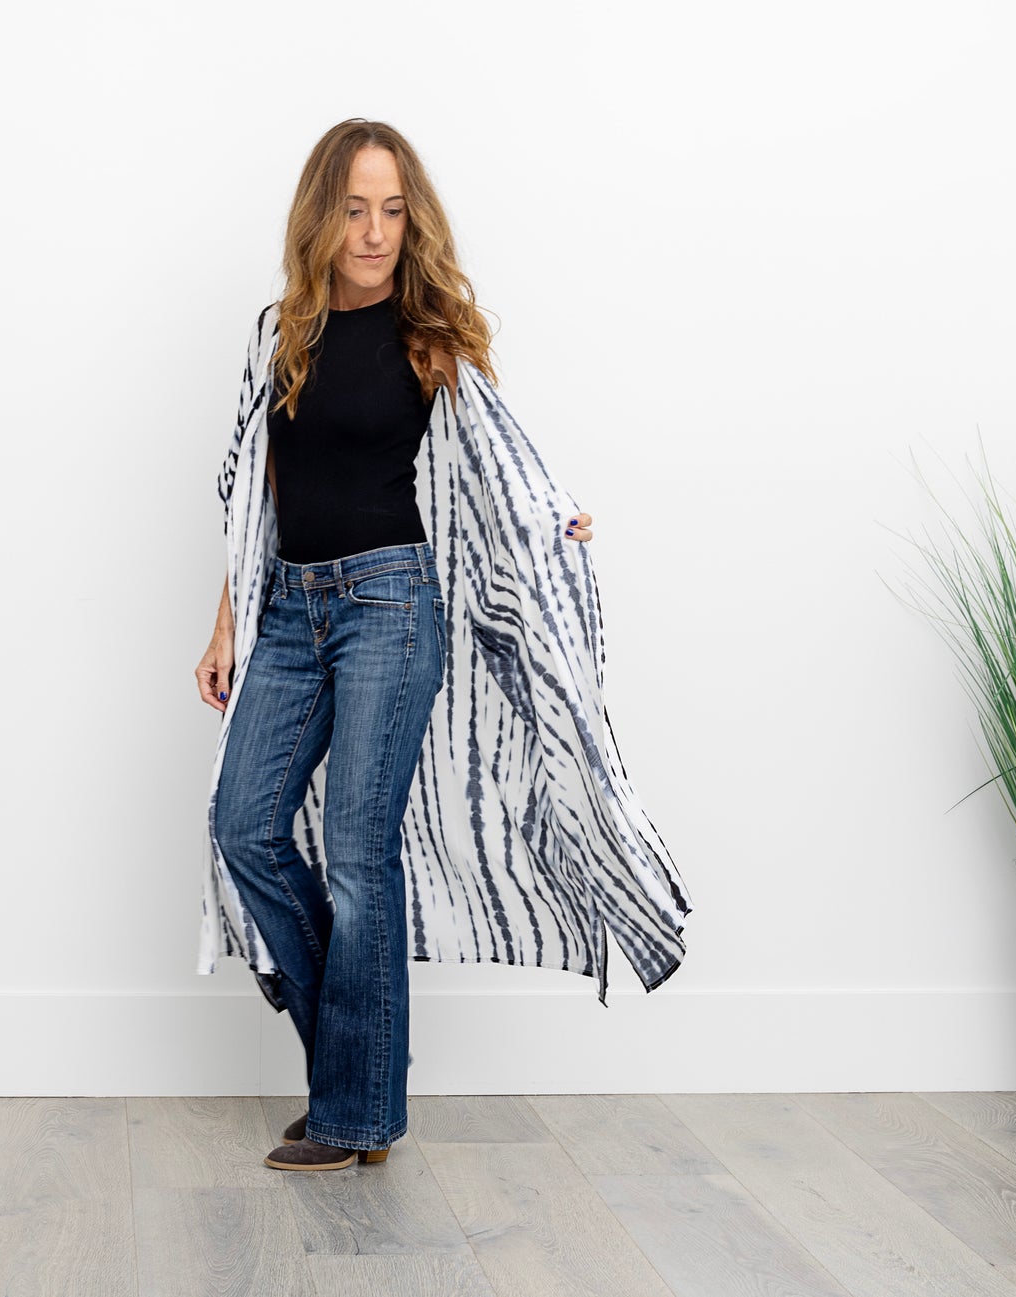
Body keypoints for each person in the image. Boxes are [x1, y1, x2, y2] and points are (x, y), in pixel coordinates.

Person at [196, 121, 597, 1172]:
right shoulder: (277, 329)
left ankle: (350, 1112)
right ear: (320, 216)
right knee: (244, 827)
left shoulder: (432, 338)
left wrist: (555, 526)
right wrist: (228, 618)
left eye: (391, 209)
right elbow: (252, 485)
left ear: (410, 217)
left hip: (389, 603)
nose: (373, 231)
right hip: (287, 607)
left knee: (362, 862)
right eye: (354, 209)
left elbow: (498, 469)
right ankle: (355, 1079)